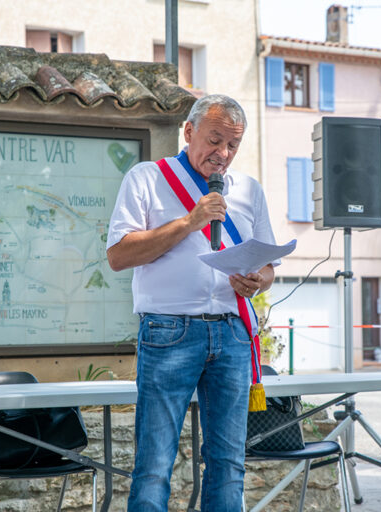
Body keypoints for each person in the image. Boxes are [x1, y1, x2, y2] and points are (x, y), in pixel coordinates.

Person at [106, 94, 277, 511]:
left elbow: (270, 266)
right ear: (188, 132)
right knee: (154, 462)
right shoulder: (147, 177)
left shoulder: (248, 190)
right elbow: (118, 255)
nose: (222, 154)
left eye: (232, 145)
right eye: (215, 140)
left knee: (229, 462)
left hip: (233, 333)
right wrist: (190, 221)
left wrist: (257, 281)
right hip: (170, 331)